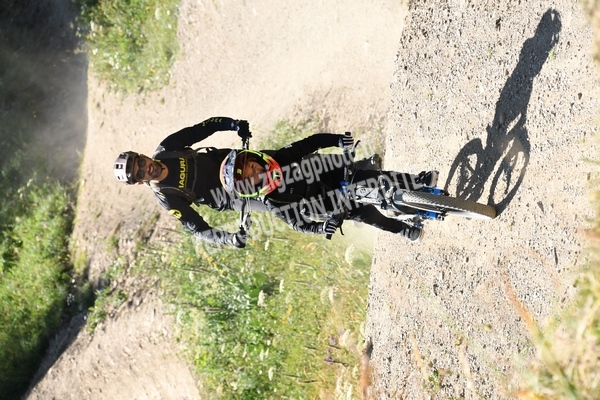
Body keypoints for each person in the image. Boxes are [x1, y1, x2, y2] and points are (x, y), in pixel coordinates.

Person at [220, 133, 438, 242]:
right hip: (328, 205)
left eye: (252, 166)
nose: (256, 172)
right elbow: (298, 224)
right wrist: (321, 228)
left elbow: (310, 143)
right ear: (250, 188)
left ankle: (418, 180)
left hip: (332, 174)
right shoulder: (274, 201)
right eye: (250, 177)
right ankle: (403, 230)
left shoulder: (281, 157)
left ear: (255, 158)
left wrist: (337, 140)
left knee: (376, 177)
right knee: (370, 216)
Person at [113, 116, 267, 248]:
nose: (146, 168)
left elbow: (204, 127)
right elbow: (198, 229)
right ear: (141, 182)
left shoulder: (168, 148)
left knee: (277, 160)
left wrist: (234, 124)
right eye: (140, 174)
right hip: (232, 196)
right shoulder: (167, 197)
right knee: (274, 203)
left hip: (235, 163)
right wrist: (229, 239)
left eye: (141, 163)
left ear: (143, 156)